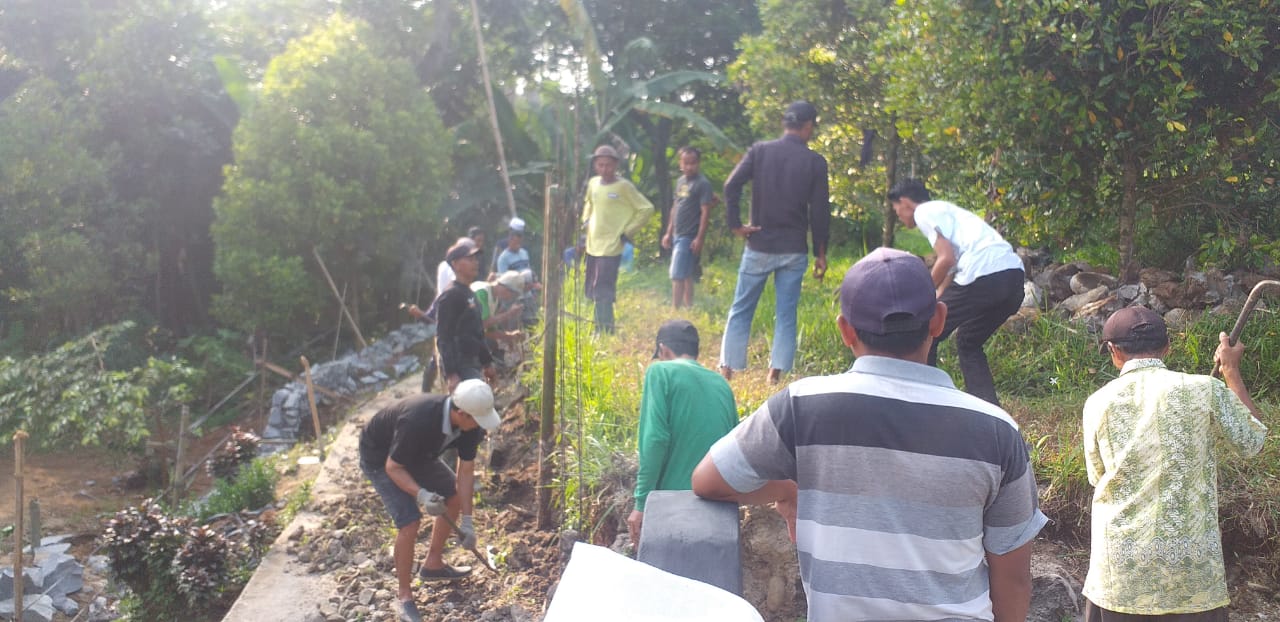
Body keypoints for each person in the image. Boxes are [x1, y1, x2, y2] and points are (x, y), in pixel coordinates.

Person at [692, 247, 1046, 622]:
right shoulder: (997, 430)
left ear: (845, 330)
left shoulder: (801, 407)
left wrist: (787, 489)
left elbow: (708, 480)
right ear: (939, 321)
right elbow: (1013, 580)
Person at [1082, 306, 1267, 622]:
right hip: (1192, 580)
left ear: (1114, 351)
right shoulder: (1205, 389)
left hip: (1120, 576)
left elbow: (1097, 476)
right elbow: (1253, 441)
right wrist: (1230, 370)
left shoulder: (1098, 402)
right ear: (1167, 347)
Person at [357, 380, 502, 622]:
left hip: (418, 454)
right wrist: (422, 495)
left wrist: (467, 521)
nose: (480, 425)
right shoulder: (419, 419)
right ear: (461, 413)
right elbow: (393, 467)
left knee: (452, 496)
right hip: (380, 457)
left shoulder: (470, 427)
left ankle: (433, 564)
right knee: (409, 522)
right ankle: (404, 596)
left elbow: (465, 473)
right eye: (477, 420)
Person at [719, 101, 831, 385]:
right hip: (793, 248)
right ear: (808, 126)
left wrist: (736, 225)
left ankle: (728, 368)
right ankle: (774, 374)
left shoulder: (760, 151)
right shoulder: (815, 162)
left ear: (785, 123)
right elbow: (820, 210)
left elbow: (731, 186)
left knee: (741, 308)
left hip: (759, 243)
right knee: (786, 313)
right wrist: (821, 252)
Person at [888, 177, 1024, 406]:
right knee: (968, 341)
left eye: (896, 210)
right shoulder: (947, 211)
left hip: (983, 273)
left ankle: (927, 404)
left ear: (904, 202)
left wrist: (921, 294)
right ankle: (987, 408)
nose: (898, 216)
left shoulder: (924, 212)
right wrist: (936, 296)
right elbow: (952, 266)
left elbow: (945, 258)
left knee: (927, 332)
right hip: (1012, 277)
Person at [627, 319, 737, 548]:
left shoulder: (660, 372)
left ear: (663, 350)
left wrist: (641, 503)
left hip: (672, 508)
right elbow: (734, 447)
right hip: (720, 511)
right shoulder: (721, 384)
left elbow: (654, 440)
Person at [582, 144, 654, 333]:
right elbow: (589, 203)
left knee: (603, 288)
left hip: (612, 245)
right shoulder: (593, 183)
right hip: (593, 244)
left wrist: (628, 232)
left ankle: (605, 328)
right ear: (595, 165)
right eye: (600, 165)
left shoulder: (623, 187)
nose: (604, 169)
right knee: (593, 288)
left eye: (608, 165)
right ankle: (598, 326)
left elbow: (646, 208)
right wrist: (585, 220)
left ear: (616, 165)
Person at [435, 238, 495, 392]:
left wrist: (487, 362)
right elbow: (444, 338)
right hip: (460, 366)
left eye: (476, 259)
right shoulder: (450, 296)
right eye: (469, 259)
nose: (475, 263)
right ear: (455, 264)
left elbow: (478, 332)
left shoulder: (470, 293)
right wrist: (451, 374)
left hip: (472, 362)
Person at [662, 147, 714, 308]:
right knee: (686, 273)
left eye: (693, 163)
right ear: (680, 164)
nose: (689, 167)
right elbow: (675, 207)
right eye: (686, 163)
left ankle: (674, 309)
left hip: (689, 235)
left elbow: (705, 212)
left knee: (677, 274)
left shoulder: (703, 184)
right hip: (677, 233)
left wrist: (699, 238)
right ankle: (689, 307)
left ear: (699, 163)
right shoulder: (680, 182)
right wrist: (668, 232)